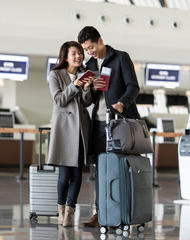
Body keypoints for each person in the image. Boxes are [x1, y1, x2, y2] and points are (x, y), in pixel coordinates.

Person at [77, 26, 140, 227]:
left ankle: (123, 212)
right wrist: (88, 89)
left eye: (91, 47)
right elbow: (89, 100)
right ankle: (101, 213)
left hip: (119, 121)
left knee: (120, 167)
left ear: (100, 40)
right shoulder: (91, 65)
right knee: (100, 169)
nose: (89, 52)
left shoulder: (121, 58)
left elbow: (133, 86)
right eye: (86, 49)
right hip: (99, 122)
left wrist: (122, 103)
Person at [47, 41, 93, 227]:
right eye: (74, 53)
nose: (78, 56)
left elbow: (87, 103)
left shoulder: (85, 74)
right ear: (65, 56)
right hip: (65, 129)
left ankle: (70, 212)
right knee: (65, 174)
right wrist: (75, 85)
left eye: (80, 53)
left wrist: (87, 88)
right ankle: (61, 210)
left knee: (78, 173)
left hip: (81, 128)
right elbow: (59, 100)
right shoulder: (55, 74)